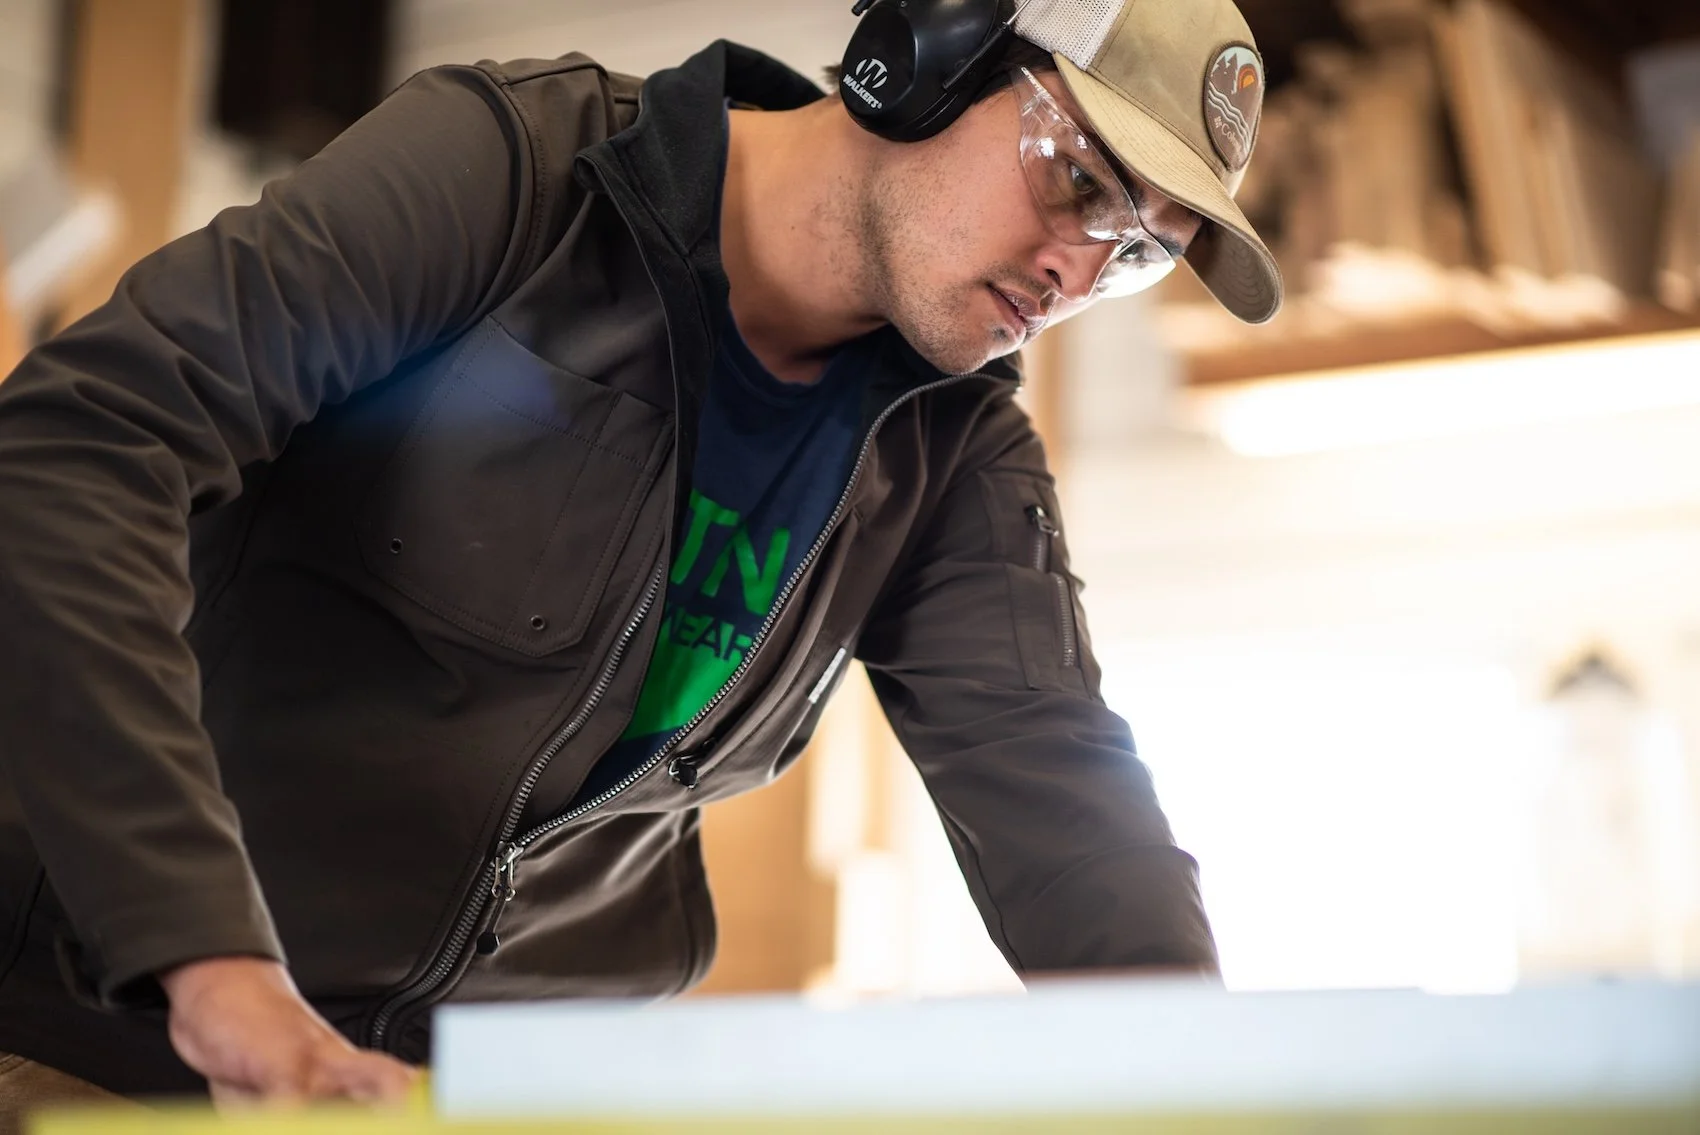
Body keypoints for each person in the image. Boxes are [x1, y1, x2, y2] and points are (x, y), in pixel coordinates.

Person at [0, 0, 1281, 1117]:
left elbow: (1058, 787)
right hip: (101, 1039)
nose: (1075, 267)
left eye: (1137, 254)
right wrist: (210, 966)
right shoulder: (511, 177)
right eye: (1075, 181)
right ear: (926, 54)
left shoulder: (953, 450)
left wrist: (1196, 1082)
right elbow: (79, 448)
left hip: (452, 1099)